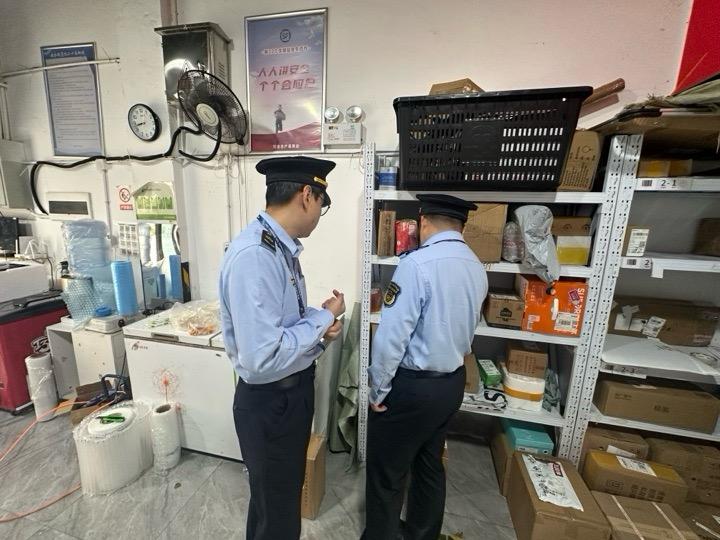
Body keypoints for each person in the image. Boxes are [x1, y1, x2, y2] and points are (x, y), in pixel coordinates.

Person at [219, 156, 346, 540]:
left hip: (287, 398)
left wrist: (318, 329)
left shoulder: (278, 249)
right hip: (271, 403)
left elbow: (283, 326)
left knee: (276, 501)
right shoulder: (256, 256)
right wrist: (322, 320)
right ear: (307, 195)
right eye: (322, 203)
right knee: (276, 508)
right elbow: (262, 357)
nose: (319, 214)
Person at [363, 194, 488, 540]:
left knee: (387, 472)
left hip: (412, 388)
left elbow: (392, 337)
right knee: (430, 464)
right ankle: (423, 534)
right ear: (462, 226)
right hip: (451, 383)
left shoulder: (416, 265)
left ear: (423, 221)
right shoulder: (476, 266)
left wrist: (378, 390)